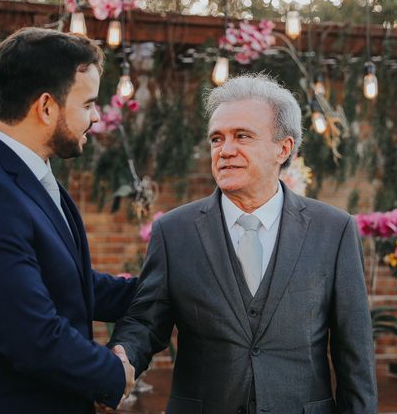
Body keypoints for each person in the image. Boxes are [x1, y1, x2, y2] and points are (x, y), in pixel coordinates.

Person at [109, 74, 377, 414]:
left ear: (283, 148)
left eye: (242, 137)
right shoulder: (174, 232)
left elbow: (355, 354)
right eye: (217, 139)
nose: (225, 150)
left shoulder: (335, 230)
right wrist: (121, 358)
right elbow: (146, 322)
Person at [0, 27, 136, 414]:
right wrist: (113, 373)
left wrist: (165, 288)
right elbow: (31, 336)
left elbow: (70, 286)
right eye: (87, 104)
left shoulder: (29, 179)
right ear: (46, 107)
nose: (94, 117)